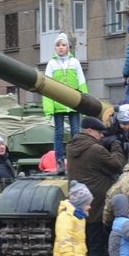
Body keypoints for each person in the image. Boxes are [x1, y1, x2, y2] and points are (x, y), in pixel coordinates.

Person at [66, 116, 125, 256]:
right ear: (90, 131)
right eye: (100, 133)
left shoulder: (72, 147)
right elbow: (116, 165)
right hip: (97, 210)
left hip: (79, 211)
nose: (101, 136)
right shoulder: (95, 149)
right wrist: (116, 145)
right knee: (97, 255)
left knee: (82, 253)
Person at [43, 33, 87, 175]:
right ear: (55, 48)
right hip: (58, 104)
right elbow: (47, 87)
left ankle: (75, 158)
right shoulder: (51, 64)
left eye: (63, 45)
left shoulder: (75, 63)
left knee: (76, 132)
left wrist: (85, 104)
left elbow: (82, 82)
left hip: (74, 103)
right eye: (58, 45)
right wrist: (49, 109)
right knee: (59, 132)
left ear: (68, 47)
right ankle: (59, 160)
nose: (61, 48)